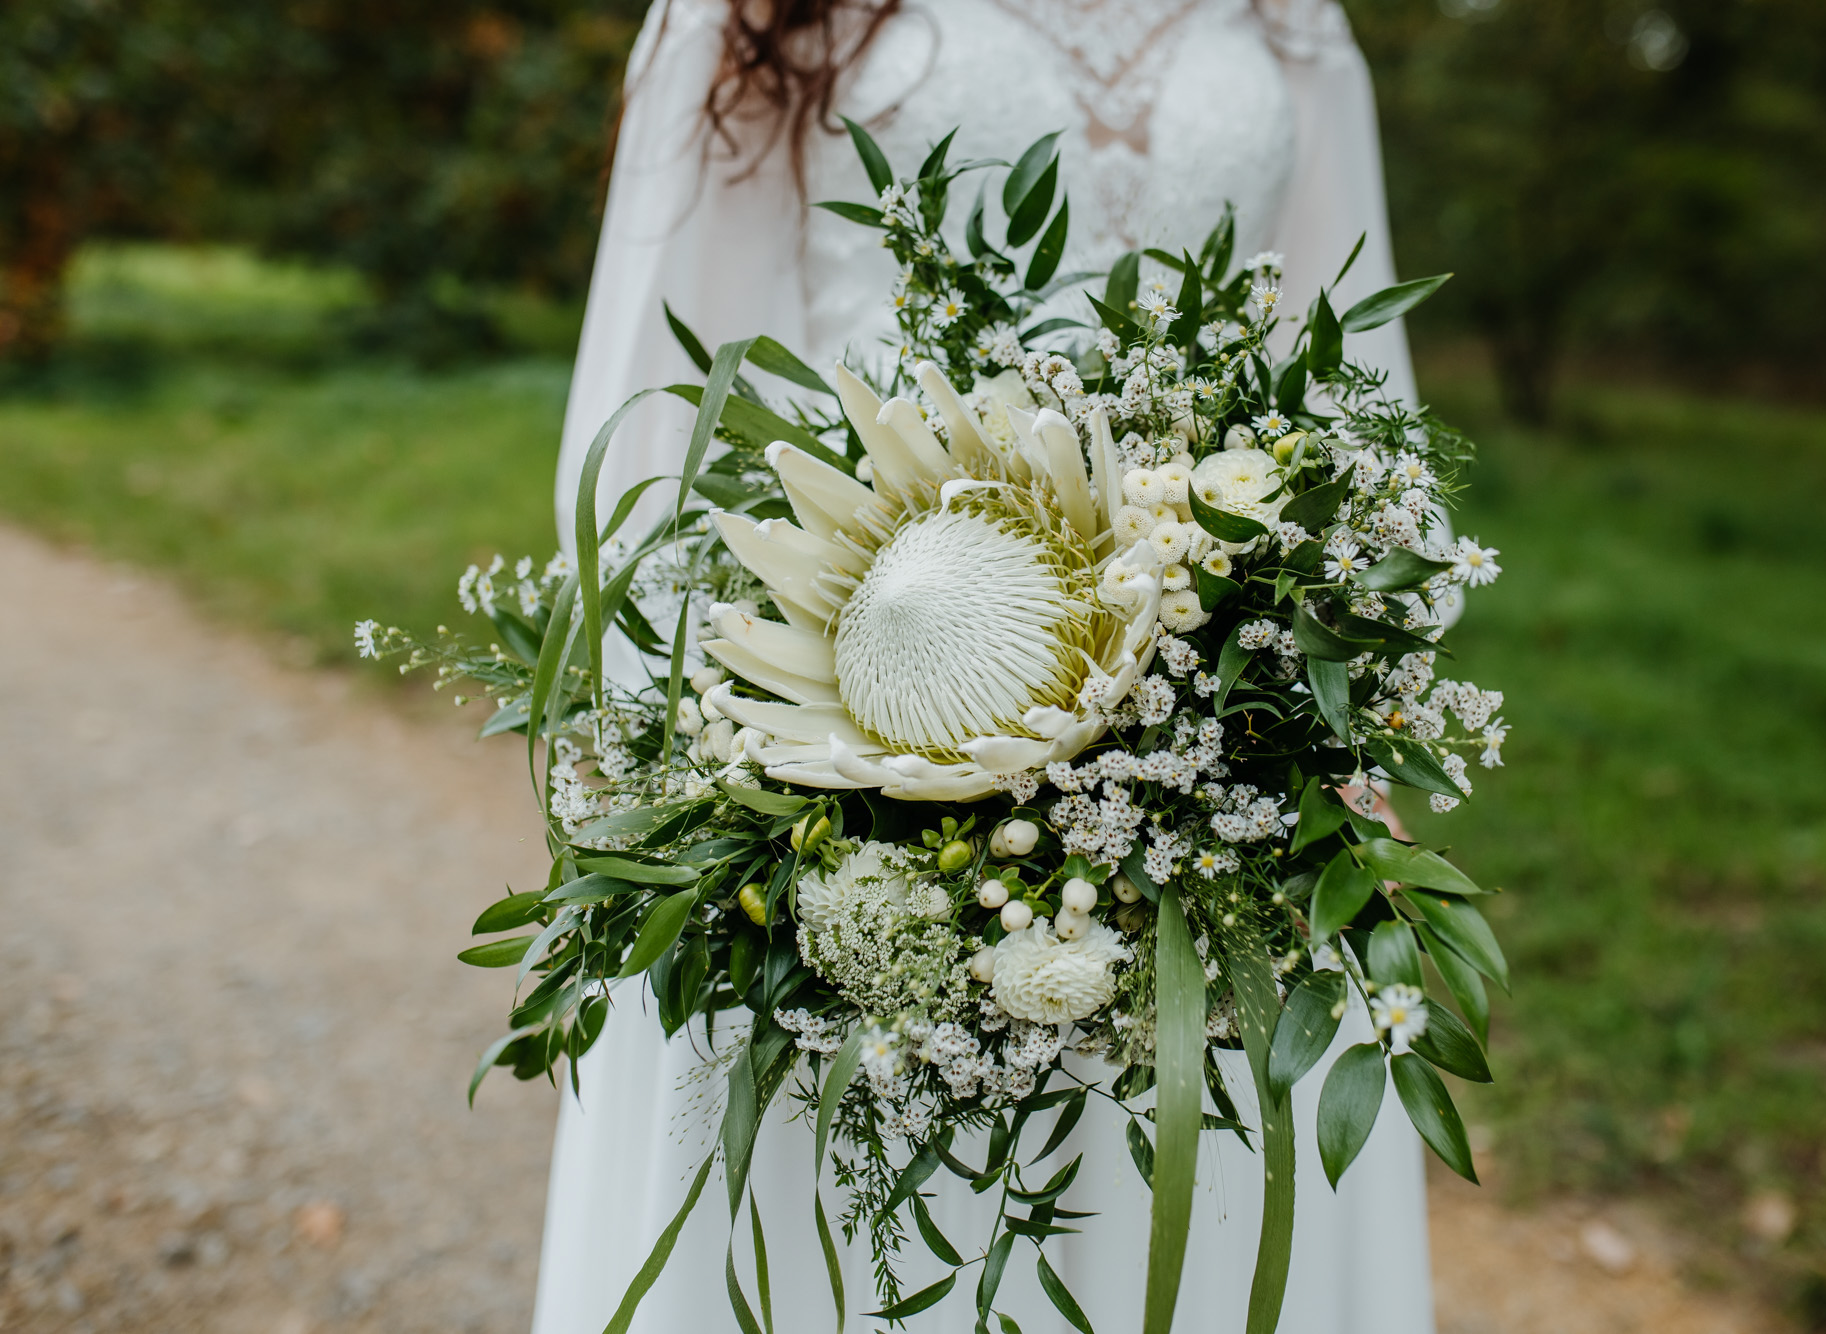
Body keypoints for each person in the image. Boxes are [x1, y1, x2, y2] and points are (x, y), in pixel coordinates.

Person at [536, 2, 1435, 1330]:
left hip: (1226, 742)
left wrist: (1363, 686)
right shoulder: (754, 15)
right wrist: (687, 762)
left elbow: (1352, 359)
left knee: (1203, 1187)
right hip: (859, 709)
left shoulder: (1288, 16)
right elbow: (661, 415)